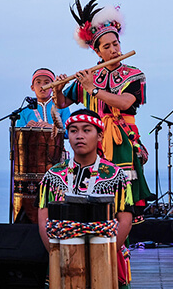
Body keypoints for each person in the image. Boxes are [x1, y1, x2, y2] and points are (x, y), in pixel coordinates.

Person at [53, 0, 152, 217]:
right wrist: (58, 90)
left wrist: (93, 90)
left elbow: (126, 102)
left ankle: (121, 247)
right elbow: (62, 103)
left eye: (116, 44)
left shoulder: (134, 75)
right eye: (107, 46)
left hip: (121, 143)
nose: (114, 50)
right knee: (92, 192)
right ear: (97, 51)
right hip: (91, 143)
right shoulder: (89, 76)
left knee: (122, 196)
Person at [37, 109, 134, 288]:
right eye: (74, 131)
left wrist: (103, 254)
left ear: (99, 136)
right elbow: (44, 219)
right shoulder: (53, 175)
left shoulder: (116, 175)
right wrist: (57, 251)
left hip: (107, 257)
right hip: (63, 256)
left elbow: (125, 219)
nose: (79, 136)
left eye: (86, 130)